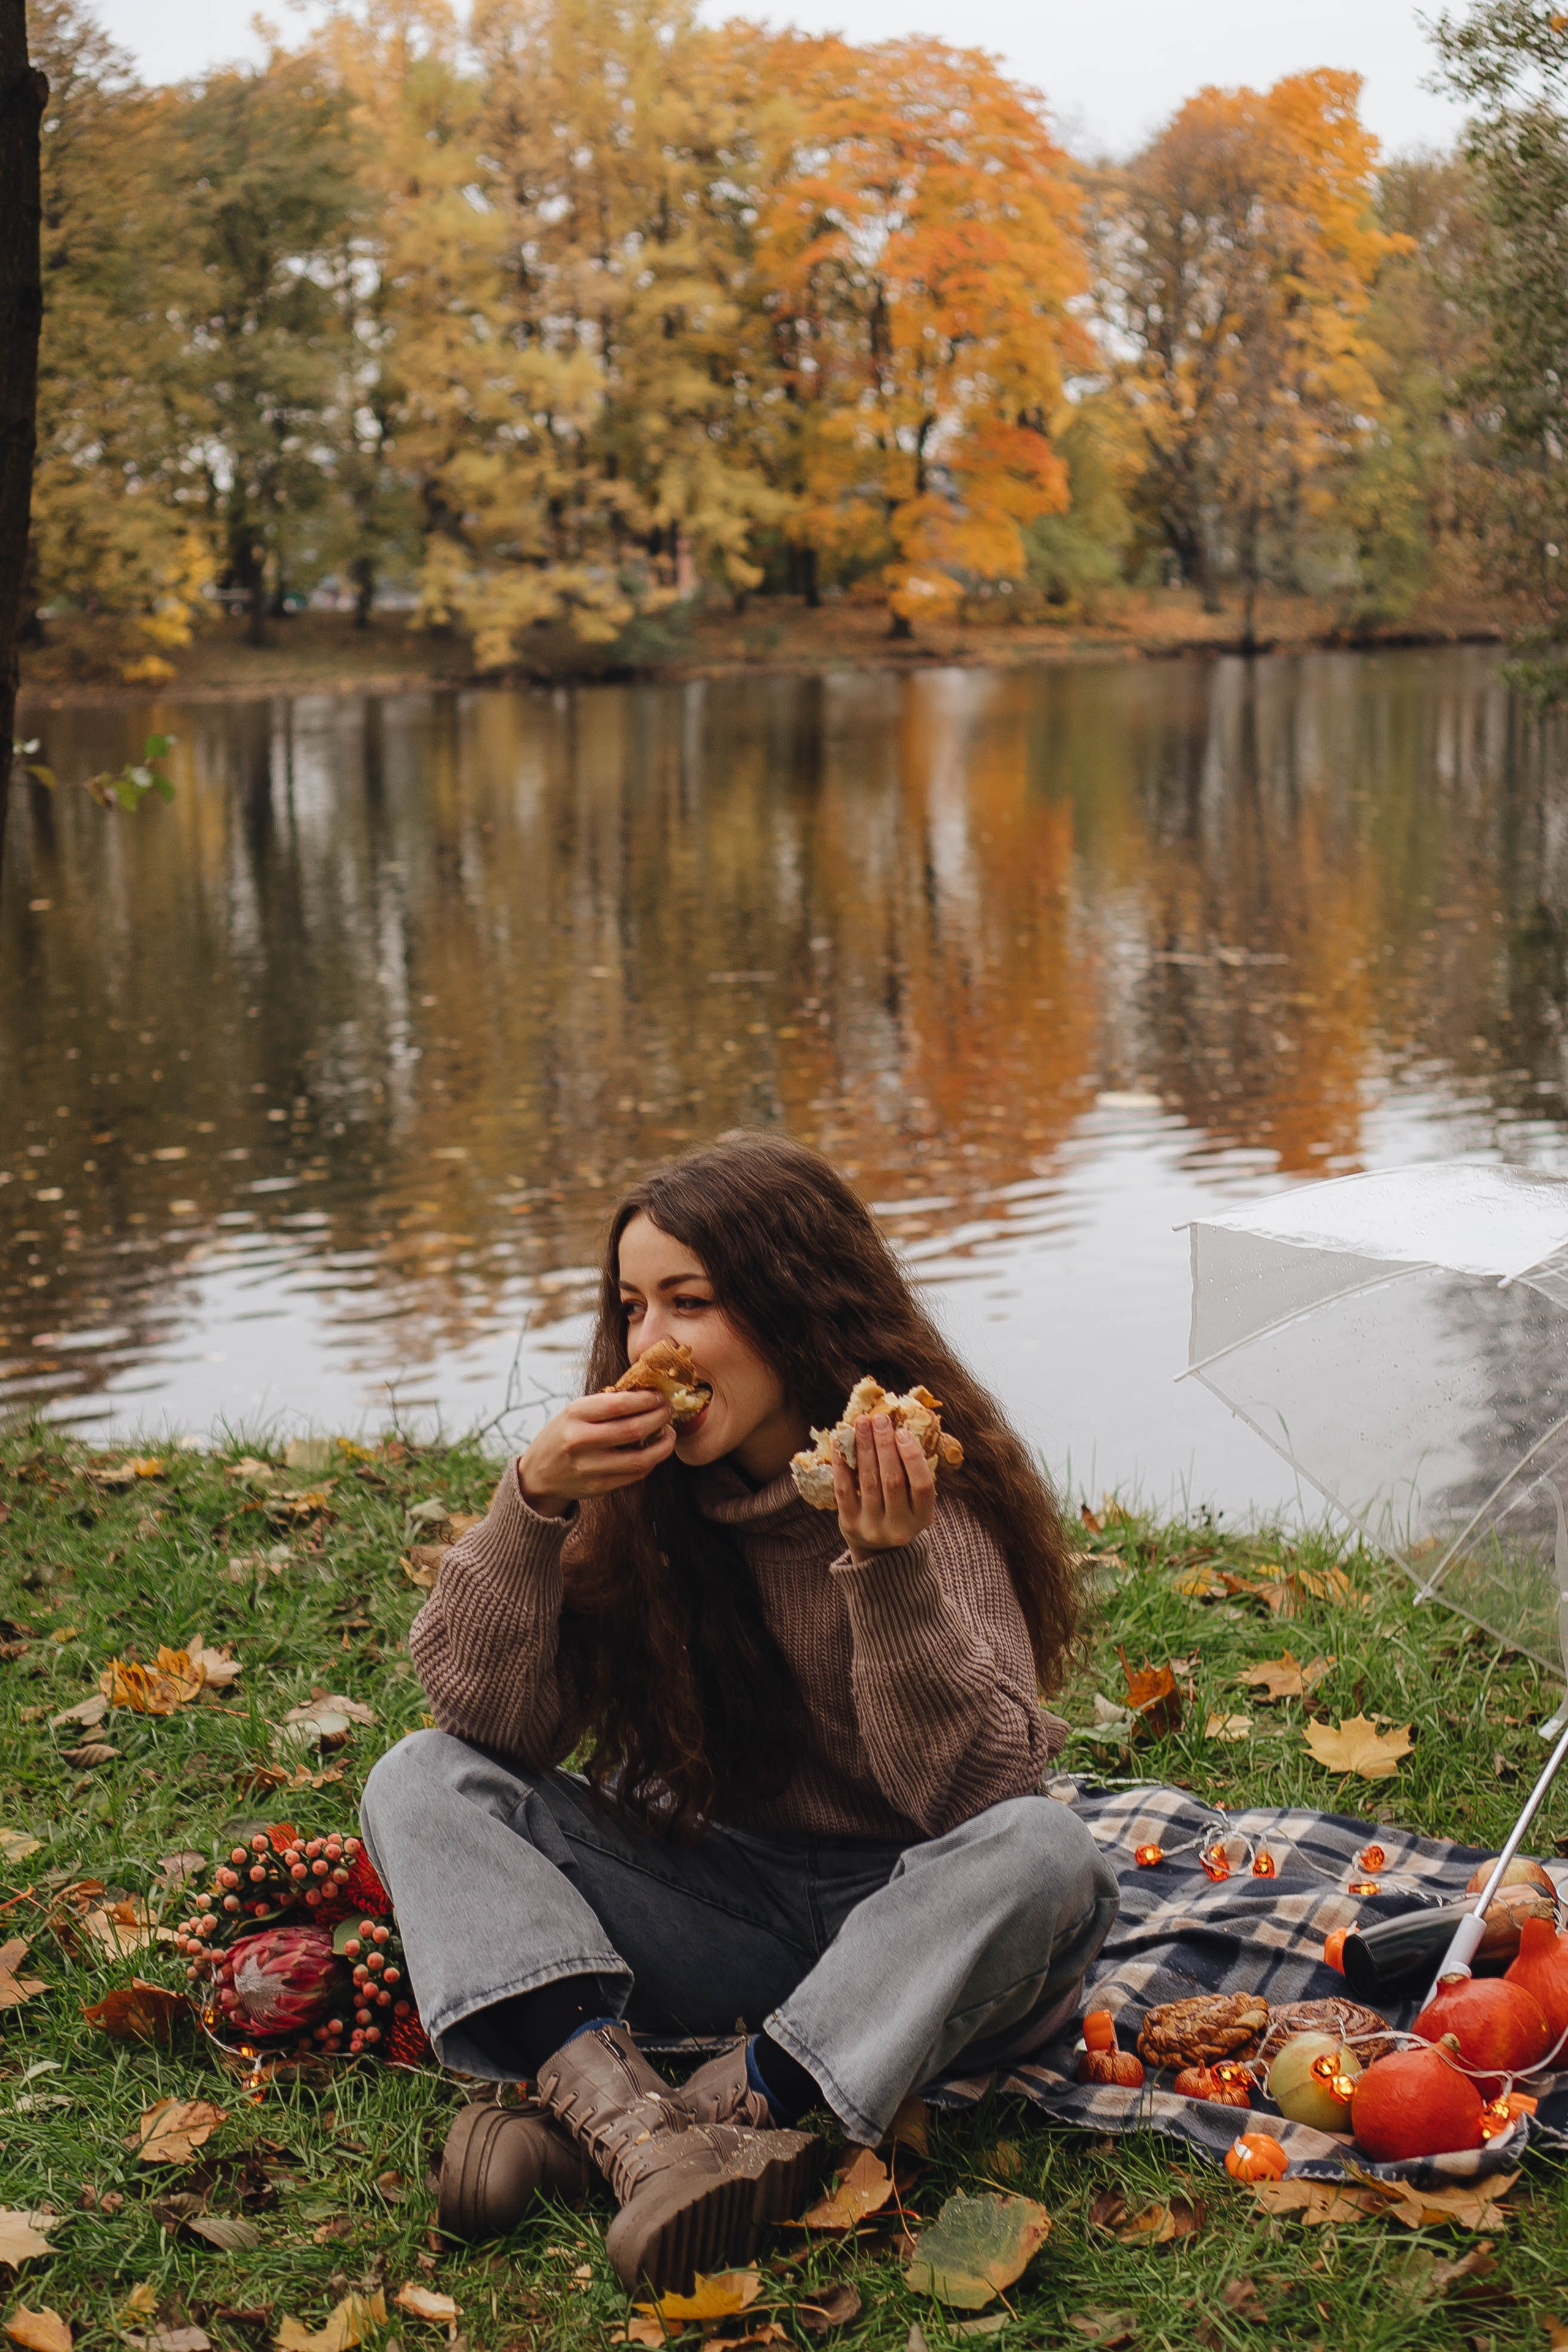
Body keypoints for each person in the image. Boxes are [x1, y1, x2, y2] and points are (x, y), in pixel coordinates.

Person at [360, 1133, 1117, 2290]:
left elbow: (975, 1797)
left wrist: (888, 1568)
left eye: (692, 1302)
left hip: (914, 1946)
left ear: (790, 1307)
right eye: (633, 1306)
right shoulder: (637, 1500)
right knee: (419, 1775)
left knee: (1050, 1850)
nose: (651, 1343)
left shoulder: (920, 1494)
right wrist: (533, 1508)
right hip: (725, 1909)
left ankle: (728, 2105)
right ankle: (640, 2126)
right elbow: (487, 1721)